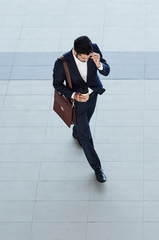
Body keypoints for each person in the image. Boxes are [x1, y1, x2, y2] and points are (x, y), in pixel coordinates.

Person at [52, 36, 110, 183]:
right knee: (86, 136)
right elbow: (57, 84)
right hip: (77, 102)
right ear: (75, 52)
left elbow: (106, 71)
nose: (86, 60)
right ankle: (97, 168)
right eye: (83, 59)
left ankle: (76, 131)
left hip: (93, 94)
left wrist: (99, 65)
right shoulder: (62, 63)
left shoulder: (94, 49)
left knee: (85, 121)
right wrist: (74, 95)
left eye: (88, 58)